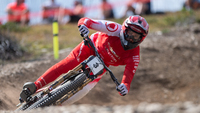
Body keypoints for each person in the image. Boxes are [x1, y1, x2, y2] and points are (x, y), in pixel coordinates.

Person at [19, 15, 149, 104]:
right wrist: (83, 26)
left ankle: (50, 109)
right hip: (90, 48)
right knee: (67, 64)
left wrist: (124, 87)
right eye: (130, 33)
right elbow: (85, 20)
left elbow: (128, 76)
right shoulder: (114, 28)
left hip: (102, 66)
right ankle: (35, 86)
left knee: (82, 92)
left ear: (141, 39)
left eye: (136, 36)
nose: (131, 38)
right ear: (124, 29)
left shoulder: (134, 56)